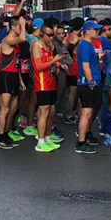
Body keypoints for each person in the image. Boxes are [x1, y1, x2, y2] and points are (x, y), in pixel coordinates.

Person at [31, 22, 67, 152]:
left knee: (51, 112)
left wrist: (59, 64)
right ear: (42, 33)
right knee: (43, 112)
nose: (51, 38)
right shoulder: (37, 47)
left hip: (52, 82)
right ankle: (40, 141)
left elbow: (51, 60)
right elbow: (38, 67)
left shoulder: (50, 46)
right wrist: (53, 61)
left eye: (53, 35)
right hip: (42, 84)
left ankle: (47, 137)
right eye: (49, 35)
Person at [0, 16, 26, 149]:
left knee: (13, 109)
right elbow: (23, 38)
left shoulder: (15, 43)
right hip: (6, 76)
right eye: (19, 26)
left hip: (14, 75)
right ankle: (0, 137)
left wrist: (20, 80)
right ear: (13, 27)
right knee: (5, 109)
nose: (22, 28)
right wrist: (23, 25)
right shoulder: (8, 39)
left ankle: (6, 133)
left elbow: (16, 63)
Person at [75, 20, 104, 154]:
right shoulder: (85, 46)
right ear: (87, 31)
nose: (98, 31)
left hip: (90, 82)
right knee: (86, 113)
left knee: (89, 112)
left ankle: (85, 137)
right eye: (95, 29)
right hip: (88, 84)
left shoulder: (87, 45)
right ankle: (81, 142)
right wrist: (91, 81)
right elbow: (85, 66)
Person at [64, 17, 83, 125]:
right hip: (74, 67)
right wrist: (72, 57)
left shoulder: (70, 35)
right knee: (73, 92)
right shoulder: (75, 37)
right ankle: (69, 114)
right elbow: (69, 48)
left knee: (72, 92)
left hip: (72, 66)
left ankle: (71, 112)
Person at [53, 24, 73, 122]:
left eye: (63, 33)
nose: (61, 35)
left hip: (64, 72)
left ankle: (59, 114)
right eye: (59, 34)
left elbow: (69, 59)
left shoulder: (63, 45)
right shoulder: (53, 45)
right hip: (57, 72)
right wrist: (60, 65)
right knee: (57, 96)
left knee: (62, 93)